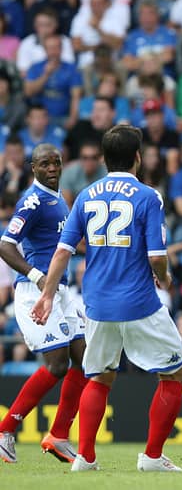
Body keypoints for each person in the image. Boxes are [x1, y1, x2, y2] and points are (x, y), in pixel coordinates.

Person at [31, 125, 182, 472]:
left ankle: (85, 457)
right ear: (137, 157)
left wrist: (46, 295)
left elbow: (62, 252)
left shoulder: (86, 195)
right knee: (174, 373)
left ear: (103, 159)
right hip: (139, 303)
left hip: (97, 304)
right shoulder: (148, 196)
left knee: (99, 376)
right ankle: (151, 456)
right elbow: (157, 256)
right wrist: (165, 279)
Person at [0, 144, 87, 464]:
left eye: (56, 163)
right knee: (57, 365)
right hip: (34, 292)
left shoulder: (58, 198)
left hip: (60, 291)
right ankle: (5, 429)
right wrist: (37, 277)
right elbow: (5, 246)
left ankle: (59, 436)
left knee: (86, 360)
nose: (52, 168)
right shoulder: (32, 201)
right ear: (32, 168)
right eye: (44, 164)